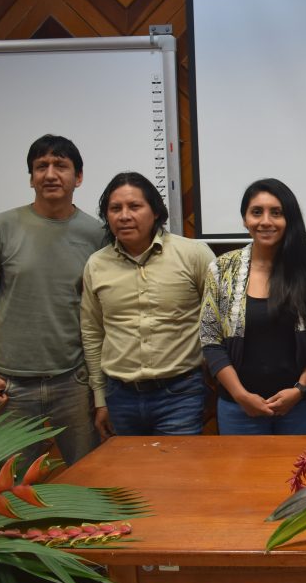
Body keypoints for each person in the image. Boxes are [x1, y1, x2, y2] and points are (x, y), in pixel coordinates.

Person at [0, 134, 105, 466]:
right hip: (11, 384)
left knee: (86, 476)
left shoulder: (98, 234)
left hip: (74, 380)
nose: (50, 174)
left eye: (61, 165)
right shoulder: (2, 226)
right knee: (10, 488)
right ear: (31, 178)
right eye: (40, 166)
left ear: (79, 177)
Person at [81, 172, 215, 437]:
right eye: (115, 208)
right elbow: (92, 331)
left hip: (180, 393)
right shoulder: (96, 265)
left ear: (155, 211)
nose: (124, 216)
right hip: (120, 396)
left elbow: (217, 320)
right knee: (128, 478)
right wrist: (100, 398)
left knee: (179, 474)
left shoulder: (193, 255)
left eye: (135, 206)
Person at [200, 179, 306, 436]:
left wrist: (299, 390)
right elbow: (210, 339)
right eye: (256, 212)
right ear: (244, 219)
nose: (266, 221)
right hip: (238, 409)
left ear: (289, 219)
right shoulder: (223, 268)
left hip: (302, 406)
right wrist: (241, 395)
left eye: (276, 213)